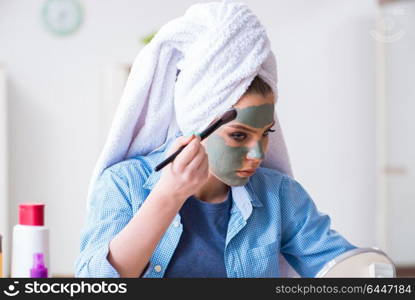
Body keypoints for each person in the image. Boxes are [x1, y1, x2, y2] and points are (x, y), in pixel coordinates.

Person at [75, 75, 356, 278]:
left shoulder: (279, 194)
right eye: (238, 135)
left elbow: (343, 268)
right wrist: (167, 196)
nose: (257, 154)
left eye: (265, 133)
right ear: (195, 127)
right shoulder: (123, 183)